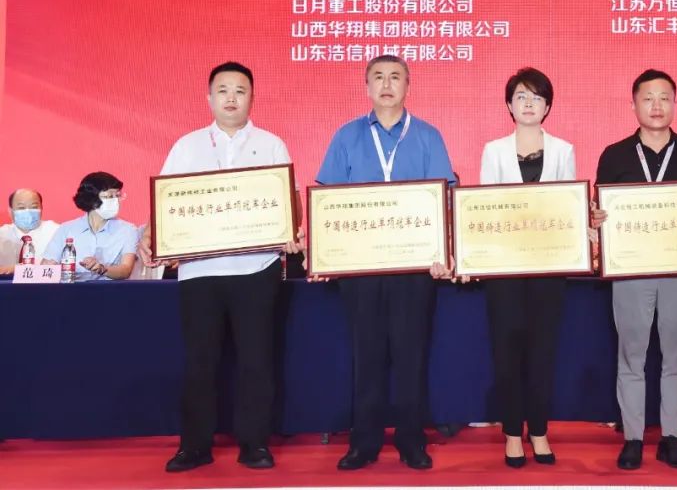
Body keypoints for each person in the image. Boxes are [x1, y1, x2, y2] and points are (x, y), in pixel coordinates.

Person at [139, 61, 302, 473]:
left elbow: (289, 203)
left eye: (240, 91)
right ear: (209, 97)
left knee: (256, 360)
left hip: (257, 268)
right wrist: (154, 235)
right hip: (200, 271)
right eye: (223, 90)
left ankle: (255, 444)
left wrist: (291, 230)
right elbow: (166, 204)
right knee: (201, 361)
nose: (231, 98)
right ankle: (194, 446)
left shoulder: (271, 144)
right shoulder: (187, 146)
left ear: (252, 98)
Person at [315, 54, 456, 471]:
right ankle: (364, 443)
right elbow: (328, 201)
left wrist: (443, 252)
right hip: (361, 270)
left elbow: (444, 198)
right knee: (368, 356)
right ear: (367, 87)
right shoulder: (346, 136)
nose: (387, 84)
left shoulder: (428, 136)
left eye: (395, 77)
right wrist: (324, 253)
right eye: (378, 77)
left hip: (414, 270)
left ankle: (412, 441)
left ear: (408, 85)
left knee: (411, 356)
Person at [592, 69, 677, 471]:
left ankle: (672, 437)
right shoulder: (614, 155)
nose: (656, 106)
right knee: (632, 356)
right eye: (648, 98)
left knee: (676, 355)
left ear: (675, 103)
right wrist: (597, 218)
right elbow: (601, 212)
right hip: (631, 270)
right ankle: (633, 438)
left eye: (664, 98)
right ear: (633, 105)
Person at [478, 67, 576, 468]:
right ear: (509, 105)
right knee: (507, 353)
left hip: (548, 270)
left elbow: (568, 207)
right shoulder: (493, 150)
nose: (529, 104)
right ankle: (511, 434)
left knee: (542, 353)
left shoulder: (564, 150)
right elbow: (483, 209)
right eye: (521, 97)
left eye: (537, 97)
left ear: (548, 106)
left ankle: (538, 430)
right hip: (504, 270)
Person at [42, 173, 138, 281]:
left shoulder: (128, 230)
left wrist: (102, 269)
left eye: (118, 195)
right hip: (71, 288)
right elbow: (47, 266)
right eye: (110, 196)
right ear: (92, 199)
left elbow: (125, 270)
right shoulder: (66, 229)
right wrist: (52, 268)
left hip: (110, 289)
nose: (116, 201)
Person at [0, 188, 59, 274]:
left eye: (34, 207)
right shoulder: (2, 234)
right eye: (21, 208)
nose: (28, 211)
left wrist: (17, 269)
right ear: (10, 211)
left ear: (41, 208)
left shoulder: (55, 232)